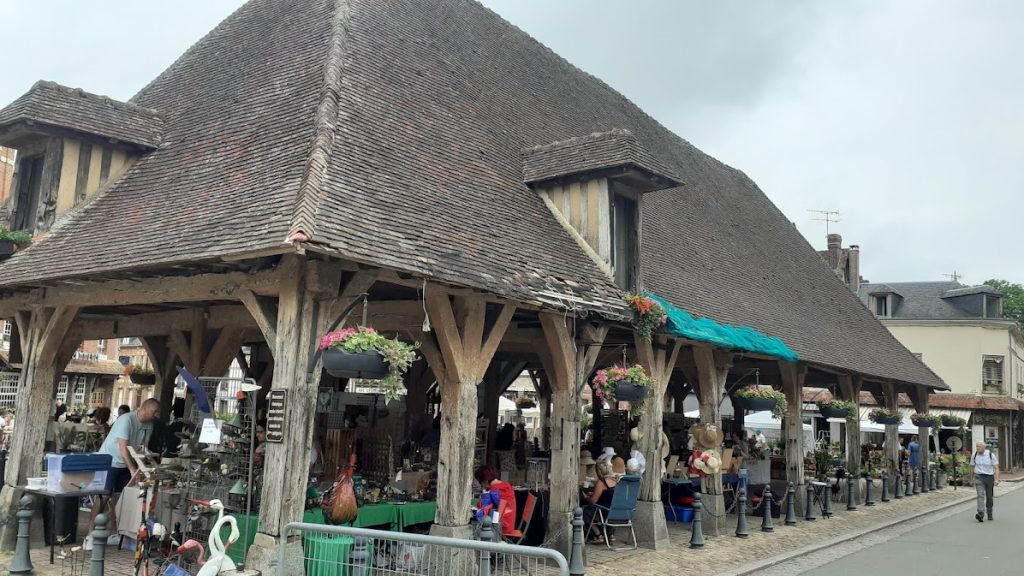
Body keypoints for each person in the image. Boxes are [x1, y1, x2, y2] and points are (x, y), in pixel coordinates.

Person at [85, 398, 161, 550]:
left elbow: (142, 448)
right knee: (103, 497)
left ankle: (114, 533)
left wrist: (144, 464)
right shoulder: (126, 420)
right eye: (155, 412)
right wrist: (132, 468)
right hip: (109, 461)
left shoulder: (149, 425)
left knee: (120, 499)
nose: (156, 416)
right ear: (146, 409)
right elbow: (123, 448)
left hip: (126, 464)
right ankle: (89, 535)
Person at [582, 458, 618, 543]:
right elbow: (609, 494)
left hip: (605, 512)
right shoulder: (618, 481)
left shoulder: (601, 483)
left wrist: (586, 497)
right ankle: (610, 534)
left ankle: (598, 535)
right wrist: (594, 493)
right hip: (616, 512)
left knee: (585, 510)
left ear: (599, 471)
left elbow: (593, 501)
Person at [473, 465, 515, 536]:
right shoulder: (506, 485)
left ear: (485, 481)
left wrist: (474, 502)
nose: (481, 485)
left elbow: (483, 507)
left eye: (481, 483)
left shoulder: (495, 490)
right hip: (509, 523)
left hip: (500, 527)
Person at [969, 441, 999, 522]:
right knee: (980, 495)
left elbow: (996, 467)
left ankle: (989, 513)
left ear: (983, 448)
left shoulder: (990, 455)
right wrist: (971, 478)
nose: (977, 448)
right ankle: (980, 513)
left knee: (989, 497)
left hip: (989, 477)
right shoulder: (974, 455)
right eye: (976, 446)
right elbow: (972, 467)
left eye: (979, 446)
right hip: (979, 477)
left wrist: (997, 479)